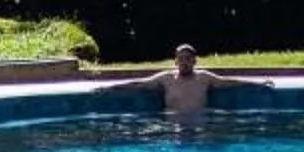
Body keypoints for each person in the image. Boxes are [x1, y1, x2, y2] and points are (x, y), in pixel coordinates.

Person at [111, 43, 270, 120]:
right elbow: (139, 84)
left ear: (194, 61)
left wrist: (258, 84)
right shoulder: (166, 79)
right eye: (180, 59)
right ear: (175, 62)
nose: (184, 63)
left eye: (187, 59)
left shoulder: (204, 78)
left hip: (199, 126)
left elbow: (229, 82)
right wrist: (109, 87)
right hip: (173, 128)